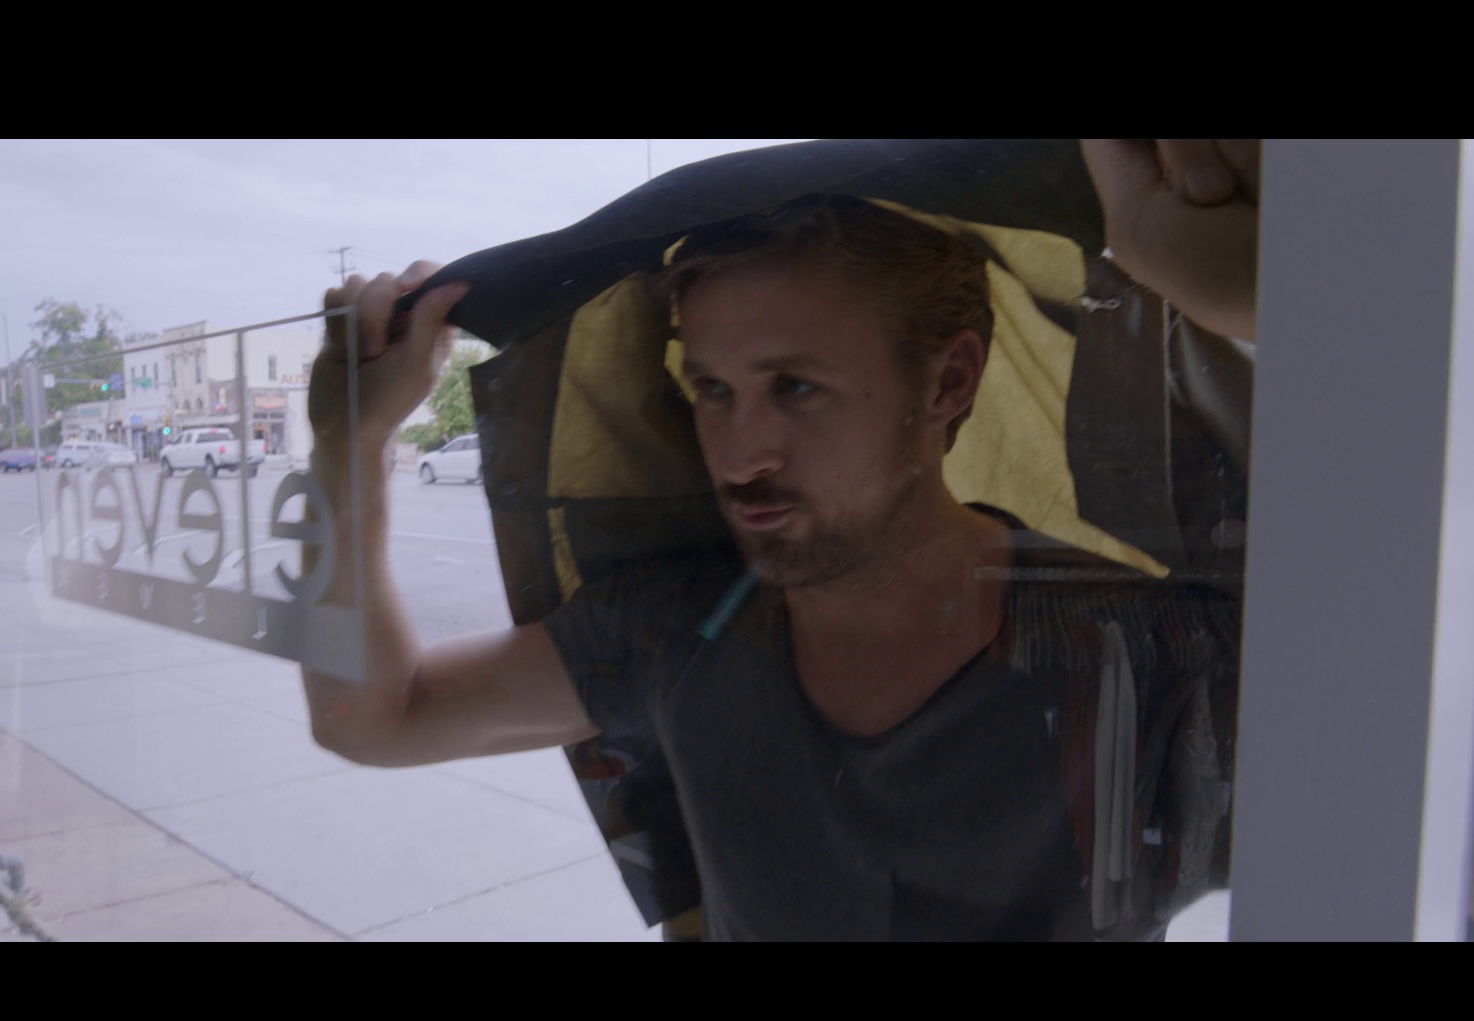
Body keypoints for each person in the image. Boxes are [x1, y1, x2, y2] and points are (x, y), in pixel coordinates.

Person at [302, 140, 1259, 941]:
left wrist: (1273, 309)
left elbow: (1356, 836)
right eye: (713, 389)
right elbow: (372, 719)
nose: (741, 452)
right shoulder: (681, 627)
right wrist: (348, 450)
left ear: (949, 383)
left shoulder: (1147, 655)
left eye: (796, 388)